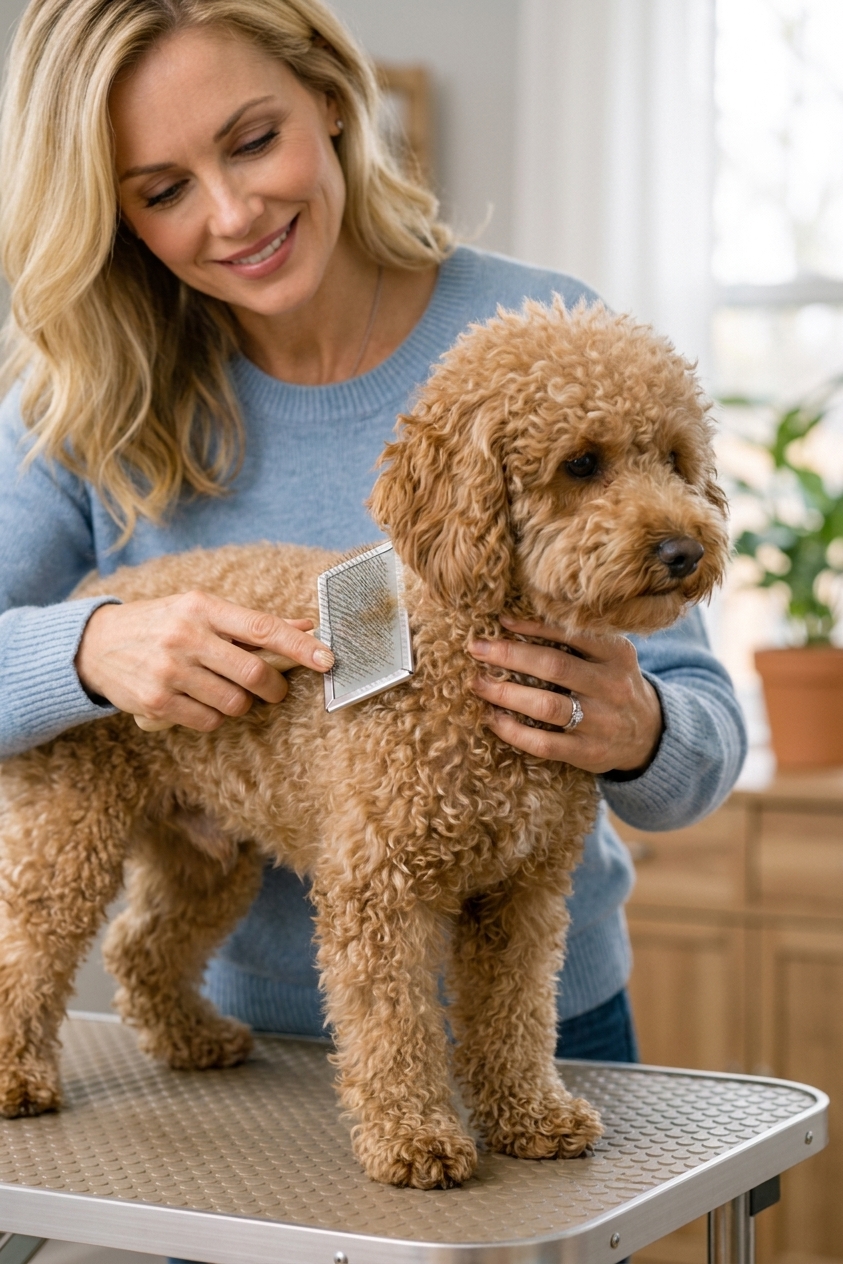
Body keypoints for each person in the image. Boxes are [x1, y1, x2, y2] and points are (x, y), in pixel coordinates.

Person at [0, 0, 745, 1240]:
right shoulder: (93, 390)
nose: (230, 214)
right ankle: (120, 1002)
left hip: (570, 1035)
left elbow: (700, 749)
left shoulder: (551, 331)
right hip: (257, 1086)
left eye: (252, 141)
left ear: (333, 106)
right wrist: (84, 648)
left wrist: (642, 724)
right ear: (113, 211)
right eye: (161, 187)